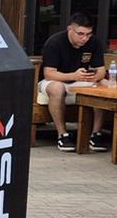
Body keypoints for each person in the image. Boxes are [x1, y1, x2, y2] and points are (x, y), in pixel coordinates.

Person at [40, 13, 113, 152]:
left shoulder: (94, 42)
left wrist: (94, 77)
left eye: (88, 34)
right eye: (80, 34)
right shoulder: (55, 42)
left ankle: (96, 134)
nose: (84, 38)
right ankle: (62, 135)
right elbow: (49, 73)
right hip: (55, 80)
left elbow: (101, 71)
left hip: (80, 80)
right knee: (57, 88)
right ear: (70, 29)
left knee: (102, 86)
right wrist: (73, 75)